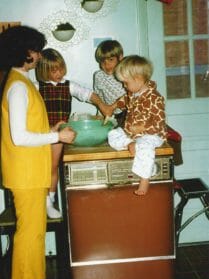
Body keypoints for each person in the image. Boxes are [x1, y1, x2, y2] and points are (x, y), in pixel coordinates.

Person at [0, 25, 76, 279]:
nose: (40, 55)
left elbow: (28, 125)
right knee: (28, 235)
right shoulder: (18, 87)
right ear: (25, 53)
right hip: (25, 173)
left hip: (31, 171)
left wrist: (51, 127)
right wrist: (56, 135)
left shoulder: (21, 81)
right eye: (36, 49)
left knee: (35, 233)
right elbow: (19, 137)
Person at [35, 48, 108, 218]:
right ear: (43, 70)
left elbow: (88, 94)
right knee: (40, 169)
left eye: (61, 68)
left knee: (53, 168)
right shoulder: (36, 87)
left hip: (59, 135)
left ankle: (49, 201)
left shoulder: (69, 85)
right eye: (54, 70)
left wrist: (102, 105)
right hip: (39, 134)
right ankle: (38, 200)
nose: (59, 72)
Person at [103, 55, 167, 196]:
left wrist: (143, 128)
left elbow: (159, 122)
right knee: (112, 134)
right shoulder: (132, 93)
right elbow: (123, 100)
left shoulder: (155, 98)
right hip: (132, 134)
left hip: (152, 135)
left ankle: (145, 180)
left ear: (138, 79)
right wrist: (112, 106)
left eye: (126, 83)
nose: (124, 86)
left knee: (145, 147)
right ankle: (130, 144)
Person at [93, 40, 127, 127]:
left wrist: (112, 107)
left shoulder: (126, 72)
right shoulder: (98, 76)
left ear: (120, 57)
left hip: (129, 112)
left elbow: (131, 94)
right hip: (111, 115)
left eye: (111, 60)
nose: (106, 65)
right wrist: (100, 115)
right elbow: (99, 97)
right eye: (103, 61)